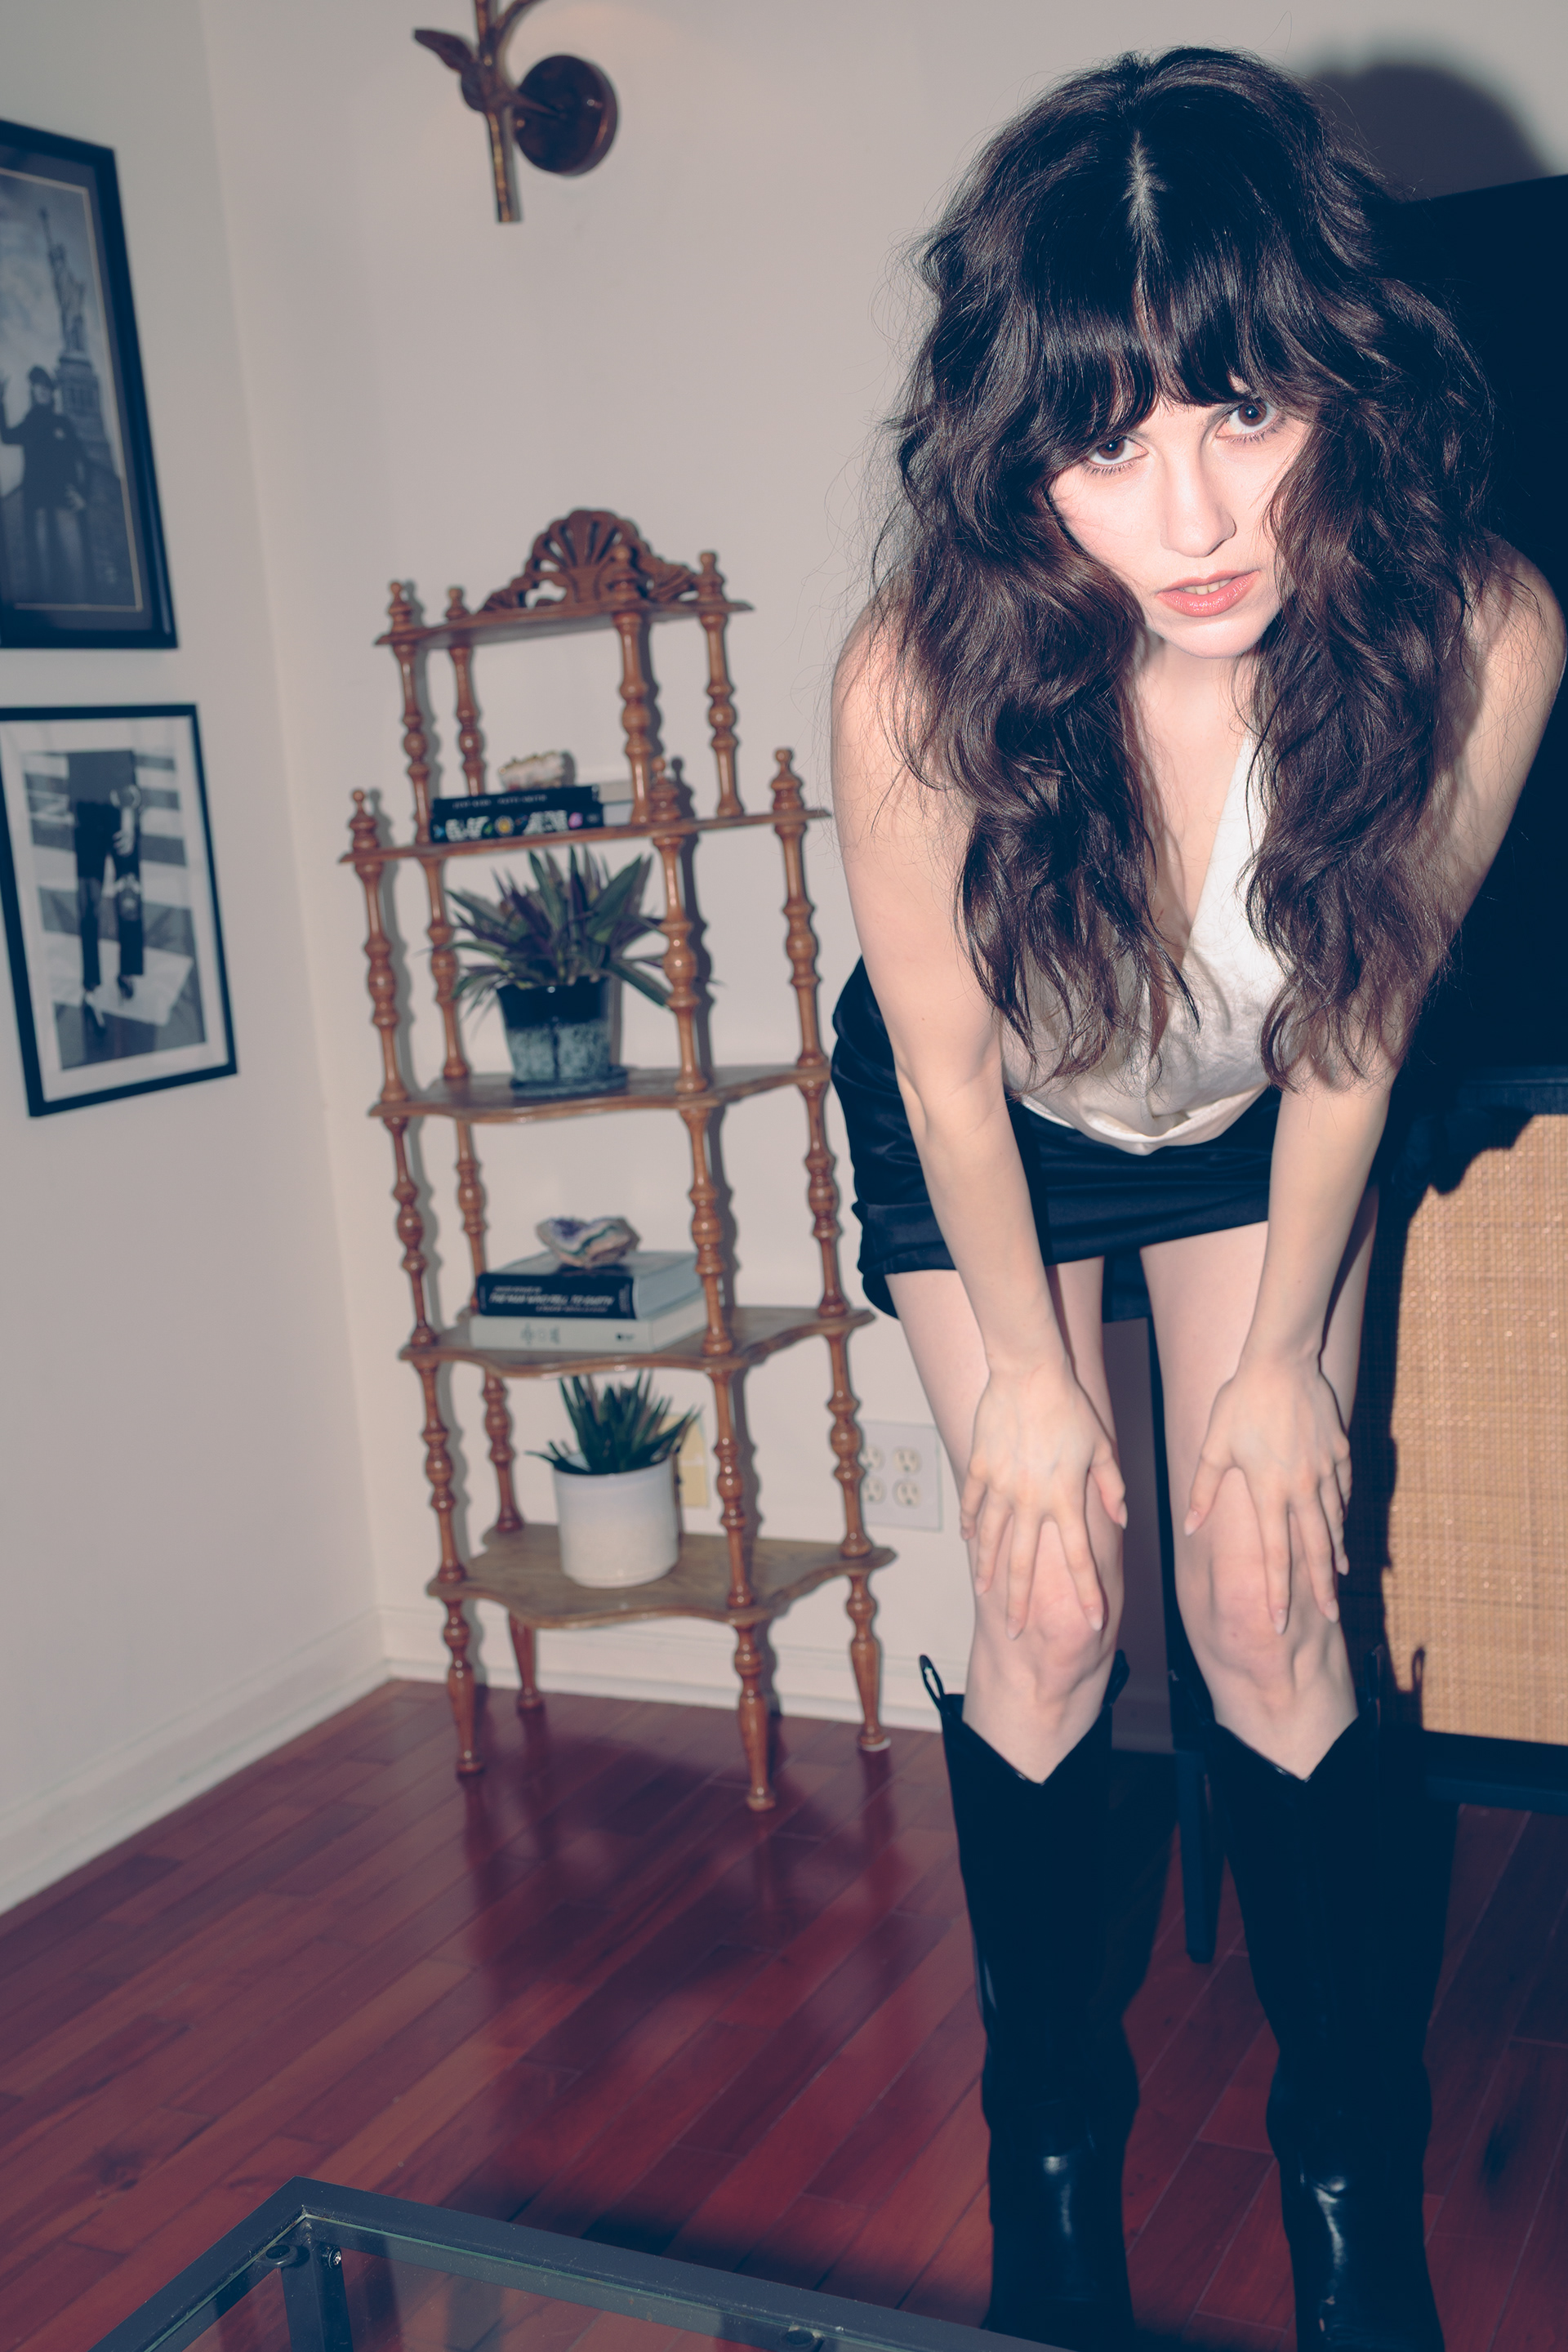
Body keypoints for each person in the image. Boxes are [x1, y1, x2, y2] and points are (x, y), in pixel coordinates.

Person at [829, 48, 1563, 2352]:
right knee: (1048, 1598)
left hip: (1266, 1099)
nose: (1193, 510)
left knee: (1267, 1587)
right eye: (1107, 439)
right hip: (998, 1119)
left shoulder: (1478, 637)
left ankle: (1348, 2182)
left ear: (1337, 366)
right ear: (1015, 448)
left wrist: (1272, 1377)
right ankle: (1051, 2147)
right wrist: (1036, 1390)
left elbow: (1354, 1026)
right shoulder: (919, 680)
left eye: (1244, 410)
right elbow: (945, 1068)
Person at [0, 364, 88, 604]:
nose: (42, 390)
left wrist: (83, 496)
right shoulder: (29, 423)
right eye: (37, 386)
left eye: (46, 386)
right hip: (38, 507)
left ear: (52, 391)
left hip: (64, 504)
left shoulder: (62, 423)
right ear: (33, 391)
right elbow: (6, 437)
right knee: (45, 575)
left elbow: (83, 460)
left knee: (75, 572)